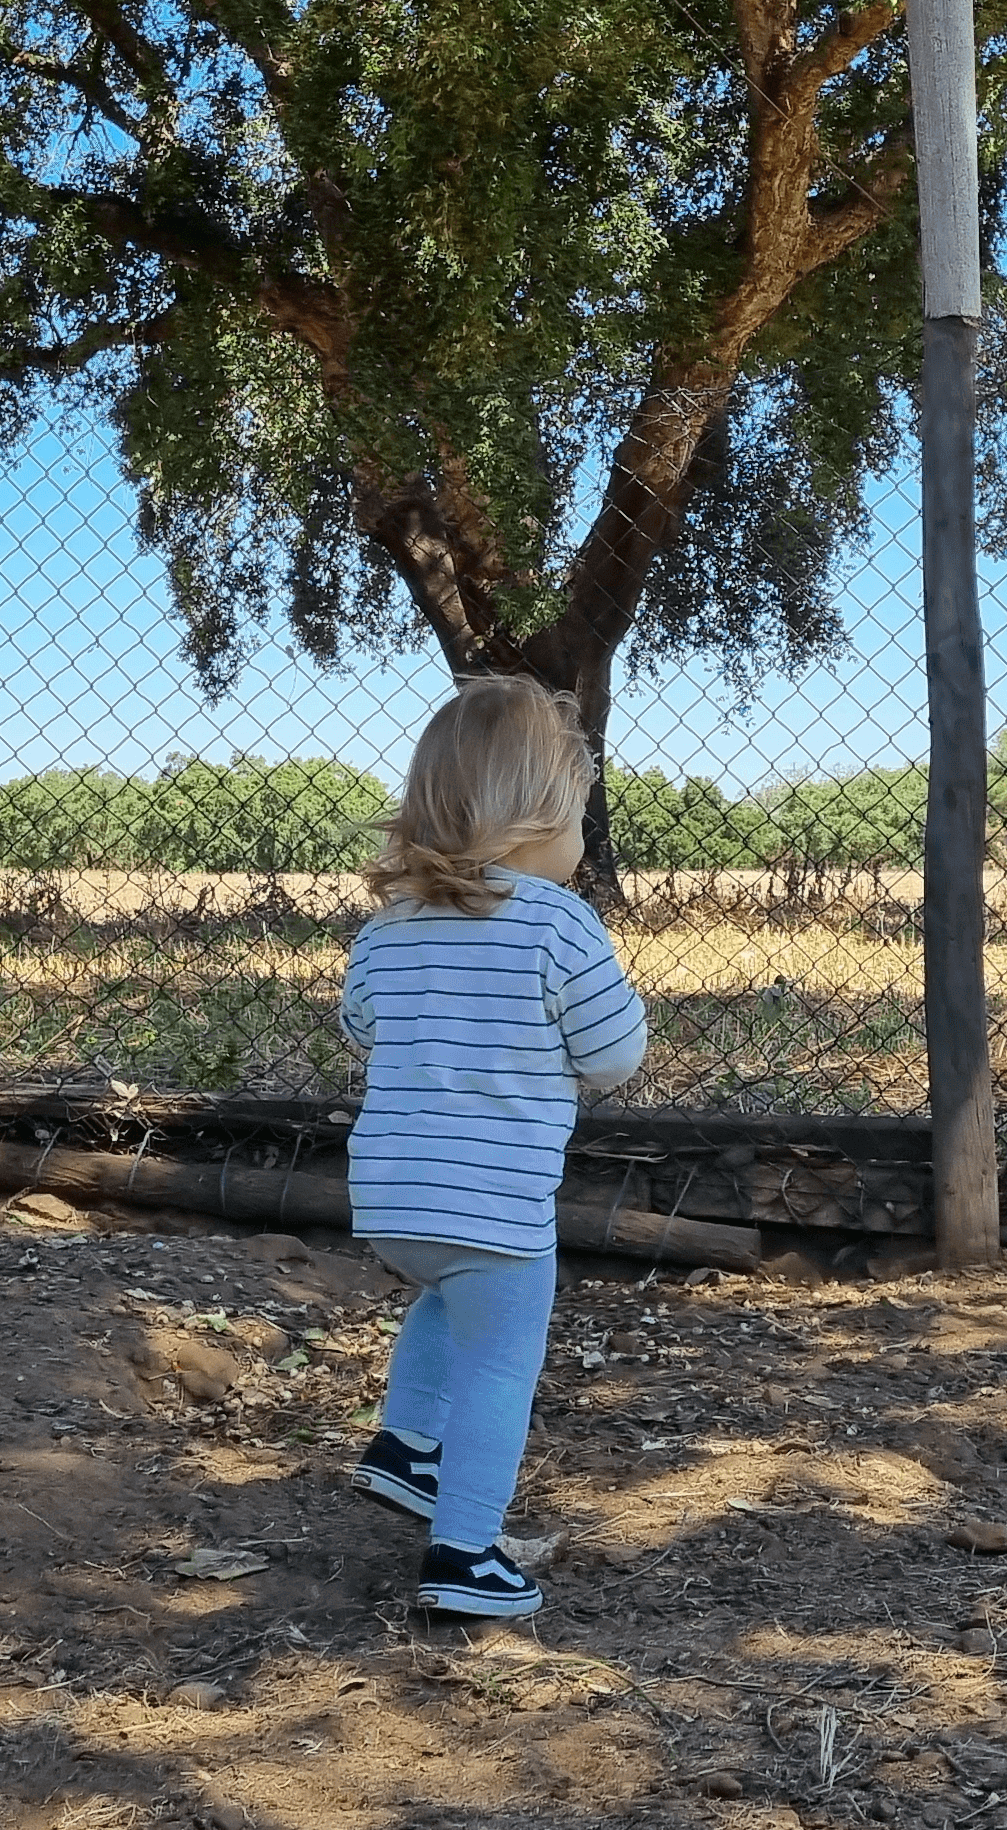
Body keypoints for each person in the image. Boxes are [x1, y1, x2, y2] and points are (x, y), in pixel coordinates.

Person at [338, 675, 648, 1617]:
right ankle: (465, 1551)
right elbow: (614, 1052)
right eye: (578, 816)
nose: (583, 838)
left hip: (393, 1202)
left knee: (446, 1295)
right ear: (538, 818)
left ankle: (403, 1446)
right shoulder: (559, 923)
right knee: (501, 1360)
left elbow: (362, 1026)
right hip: (498, 1207)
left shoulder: (387, 927)